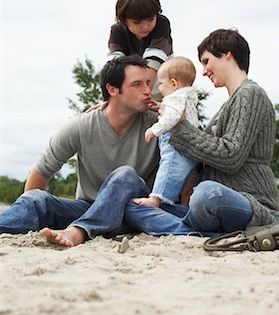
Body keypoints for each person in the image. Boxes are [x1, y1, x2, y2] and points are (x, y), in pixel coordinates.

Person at [124, 28, 279, 236]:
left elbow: (231, 156)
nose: (203, 71)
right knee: (135, 206)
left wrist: (180, 127)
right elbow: (204, 150)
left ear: (227, 54)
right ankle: (197, 233)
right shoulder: (229, 104)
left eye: (206, 61)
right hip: (208, 205)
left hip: (249, 200)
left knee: (205, 194)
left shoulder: (250, 94)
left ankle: (188, 228)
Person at [0, 55, 160, 246]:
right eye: (137, 84)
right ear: (112, 89)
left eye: (148, 83)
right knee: (36, 200)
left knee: (125, 174)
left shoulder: (159, 123)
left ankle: (80, 232)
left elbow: (187, 166)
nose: (147, 91)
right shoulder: (81, 126)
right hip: (86, 209)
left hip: (134, 213)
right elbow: (41, 172)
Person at [134, 56, 199, 208]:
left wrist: (154, 130)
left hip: (175, 142)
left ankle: (155, 199)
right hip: (189, 144)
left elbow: (173, 116)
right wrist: (160, 106)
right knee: (182, 175)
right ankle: (182, 205)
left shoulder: (176, 97)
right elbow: (174, 111)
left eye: (160, 83)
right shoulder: (185, 97)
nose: (158, 87)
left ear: (174, 83)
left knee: (168, 167)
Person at [107, 0, 173, 100]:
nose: (145, 26)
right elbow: (115, 69)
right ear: (123, 20)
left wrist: (144, 98)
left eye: (150, 19)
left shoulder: (161, 24)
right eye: (137, 22)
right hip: (132, 95)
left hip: (164, 93)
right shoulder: (117, 31)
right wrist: (110, 100)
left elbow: (153, 64)